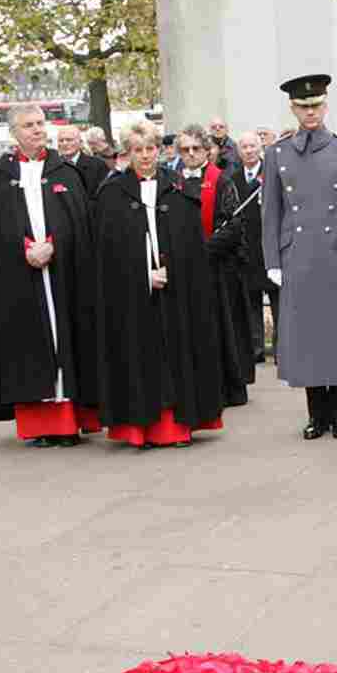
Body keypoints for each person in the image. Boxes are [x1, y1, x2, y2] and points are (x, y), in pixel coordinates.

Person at [0, 105, 99, 447]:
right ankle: (40, 426)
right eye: (28, 125)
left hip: (64, 274)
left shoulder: (65, 171)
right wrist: (24, 248)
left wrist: (55, 244)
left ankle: (69, 422)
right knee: (28, 344)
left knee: (68, 339)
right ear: (14, 133)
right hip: (19, 277)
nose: (37, 130)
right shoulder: (0, 176)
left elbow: (81, 221)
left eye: (40, 123)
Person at [95, 120, 224, 448]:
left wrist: (174, 271)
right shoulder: (111, 194)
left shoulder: (178, 188)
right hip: (132, 297)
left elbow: (191, 246)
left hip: (176, 292)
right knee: (140, 357)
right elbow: (107, 252)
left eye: (150, 148)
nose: (145, 156)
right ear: (128, 153)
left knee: (177, 353)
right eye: (137, 150)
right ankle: (142, 429)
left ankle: (179, 427)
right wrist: (142, 274)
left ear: (160, 150)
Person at [261, 73, 337, 439]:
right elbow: (271, 214)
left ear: (325, 106)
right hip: (297, 254)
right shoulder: (277, 153)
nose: (310, 112)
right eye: (302, 106)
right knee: (307, 336)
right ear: (293, 109)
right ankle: (317, 413)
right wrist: (272, 261)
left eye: (316, 105)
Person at [175, 124, 253, 406]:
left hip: (218, 268)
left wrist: (203, 250)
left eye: (197, 148)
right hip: (184, 269)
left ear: (208, 150)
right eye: (185, 150)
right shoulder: (173, 182)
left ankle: (227, 388)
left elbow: (233, 226)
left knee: (223, 329)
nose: (192, 154)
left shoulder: (222, 181)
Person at [233, 131, 273, 364]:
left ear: (260, 148)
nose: (249, 150)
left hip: (268, 245)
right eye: (244, 147)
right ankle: (256, 347)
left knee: (278, 301)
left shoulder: (271, 173)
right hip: (247, 249)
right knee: (252, 302)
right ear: (239, 151)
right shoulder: (234, 177)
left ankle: (280, 348)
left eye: (252, 146)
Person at [57, 125, 110, 196]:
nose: (64, 143)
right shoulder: (53, 166)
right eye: (61, 140)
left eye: (69, 140)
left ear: (80, 142)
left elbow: (104, 195)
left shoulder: (98, 165)